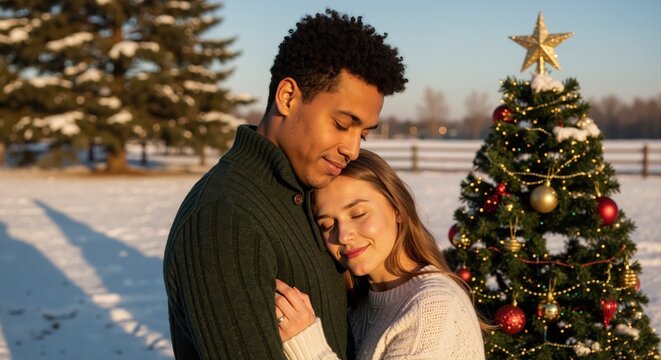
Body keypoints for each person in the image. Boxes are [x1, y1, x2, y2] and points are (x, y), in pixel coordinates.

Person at [163, 9, 407, 359]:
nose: (352, 149)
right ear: (288, 97)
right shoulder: (224, 218)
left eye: (363, 134)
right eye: (341, 124)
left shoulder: (312, 197)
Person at [274, 149, 486, 359]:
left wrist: (307, 344)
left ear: (397, 210)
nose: (344, 235)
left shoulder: (433, 309)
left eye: (358, 214)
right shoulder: (361, 305)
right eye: (328, 225)